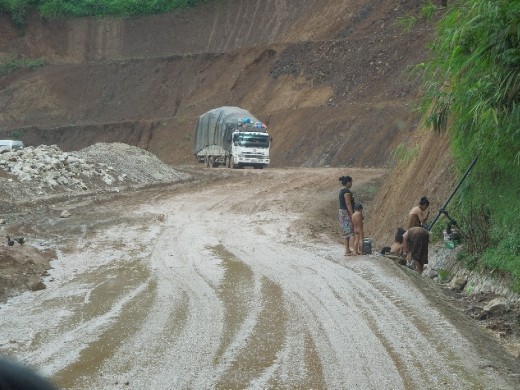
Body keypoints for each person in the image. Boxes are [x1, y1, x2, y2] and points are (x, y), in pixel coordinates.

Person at [338, 175, 355, 256]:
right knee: (349, 231)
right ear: (348, 182)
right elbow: (348, 203)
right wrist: (352, 215)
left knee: (346, 231)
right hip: (346, 213)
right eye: (351, 182)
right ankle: (350, 250)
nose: (352, 183)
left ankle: (347, 250)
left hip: (343, 213)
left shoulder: (342, 190)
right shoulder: (346, 192)